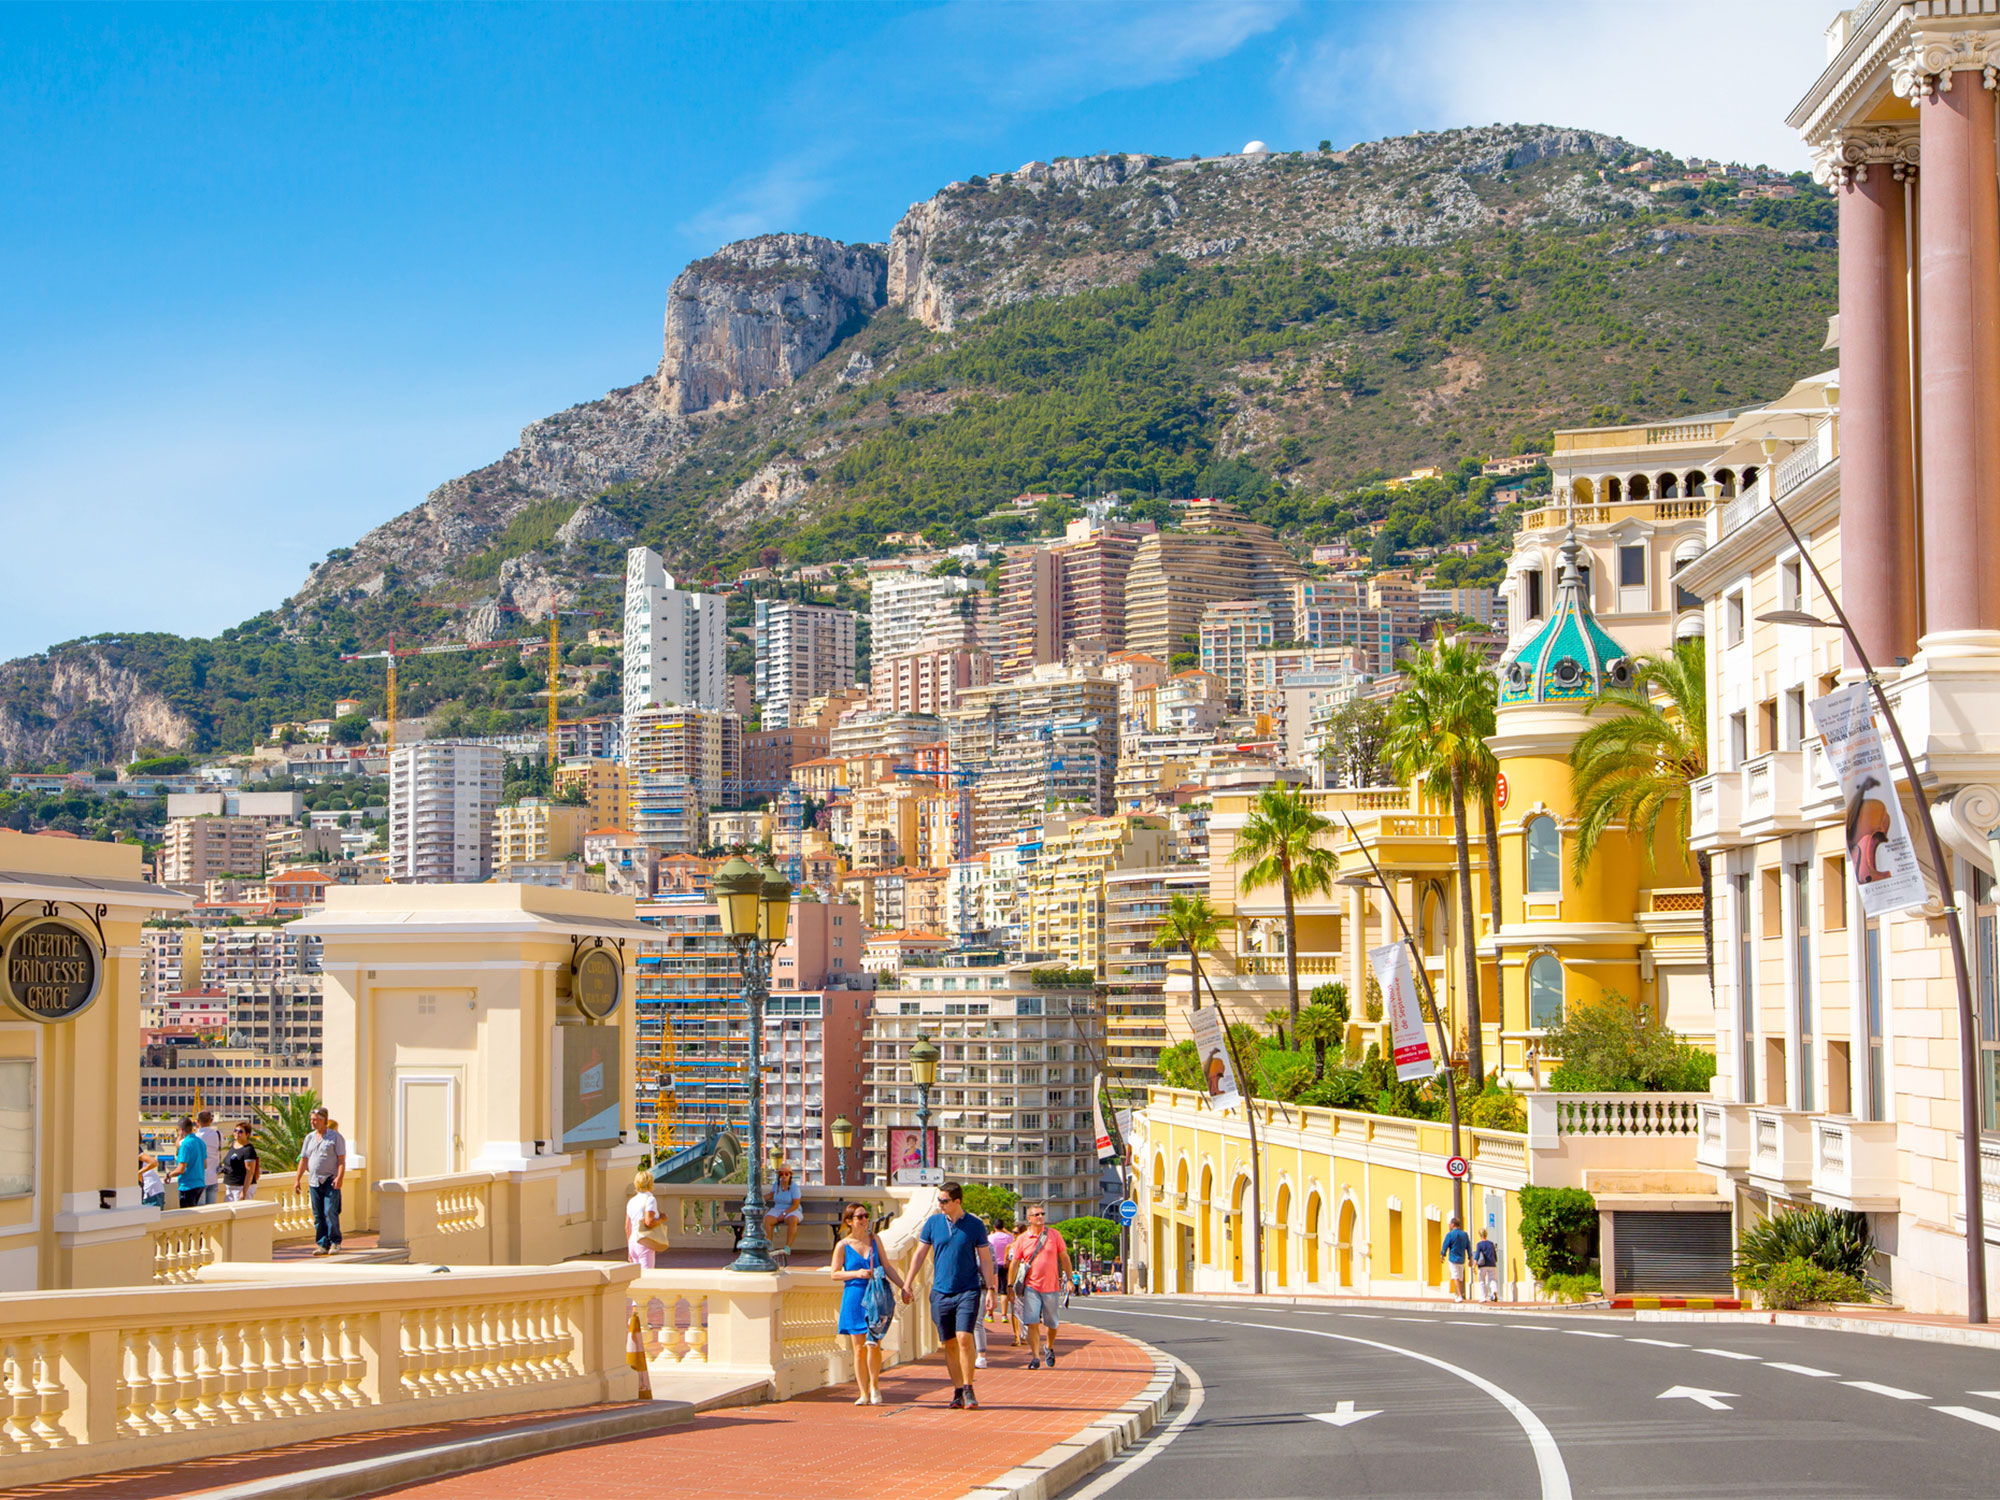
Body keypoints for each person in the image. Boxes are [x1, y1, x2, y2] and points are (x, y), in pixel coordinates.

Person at [903, 1181, 997, 1409]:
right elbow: (919, 1254)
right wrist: (907, 1283)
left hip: (968, 1289)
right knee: (950, 1343)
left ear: (957, 1201)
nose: (940, 1205)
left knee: (965, 1337)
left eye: (944, 1201)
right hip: (941, 1291)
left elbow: (985, 1259)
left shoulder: (974, 1225)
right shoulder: (933, 1223)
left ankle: (969, 1388)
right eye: (939, 1200)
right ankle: (957, 1391)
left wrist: (991, 1289)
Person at [832, 1202, 905, 1405]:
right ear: (849, 1221)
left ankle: (875, 1386)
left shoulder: (875, 1240)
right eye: (860, 1217)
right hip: (854, 1295)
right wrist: (856, 1273)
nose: (865, 1220)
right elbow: (834, 1273)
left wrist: (903, 1286)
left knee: (874, 1344)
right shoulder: (843, 1245)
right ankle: (863, 1392)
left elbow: (887, 1266)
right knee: (858, 1348)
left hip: (875, 1296)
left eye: (866, 1216)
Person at [1009, 1202, 1072, 1370]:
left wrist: (1070, 1279)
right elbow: (1015, 1263)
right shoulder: (1022, 1239)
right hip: (1031, 1286)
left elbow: (1064, 1257)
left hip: (1051, 1286)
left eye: (1042, 1214)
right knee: (1032, 1322)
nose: (1040, 1217)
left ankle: (1049, 1347)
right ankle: (1035, 1357)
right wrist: (1010, 1285)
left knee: (1052, 1323)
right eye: (1036, 1214)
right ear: (1029, 1218)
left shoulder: (1054, 1235)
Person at [293, 1106, 347, 1256]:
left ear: (324, 1120)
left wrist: (339, 1177)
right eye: (312, 1120)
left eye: (316, 1120)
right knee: (318, 1215)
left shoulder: (335, 1137)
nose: (313, 1122)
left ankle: (335, 1242)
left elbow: (341, 1160)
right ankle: (322, 1243)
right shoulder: (309, 1138)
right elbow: (303, 1160)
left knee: (330, 1211)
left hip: (330, 1179)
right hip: (314, 1181)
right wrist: (297, 1179)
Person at [989, 1216, 1021, 1347]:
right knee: (1004, 1291)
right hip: (1007, 1266)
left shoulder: (990, 1238)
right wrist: (1006, 1231)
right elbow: (1013, 1238)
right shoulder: (1009, 1238)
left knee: (993, 1289)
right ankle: (1003, 1314)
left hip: (993, 1265)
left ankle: (990, 1313)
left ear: (994, 1227)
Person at [166, 1117, 207, 1209]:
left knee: (188, 1215)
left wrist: (169, 1174)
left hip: (188, 1186)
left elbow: (181, 1169)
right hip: (200, 1183)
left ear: (181, 1130)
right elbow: (205, 1165)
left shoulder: (185, 1145)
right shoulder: (200, 1142)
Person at [764, 1163, 803, 1258]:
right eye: (782, 1174)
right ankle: (769, 1245)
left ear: (790, 1175)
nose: (784, 1176)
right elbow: (771, 1195)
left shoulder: (794, 1187)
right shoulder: (776, 1185)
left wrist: (785, 1213)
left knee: (793, 1220)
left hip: (792, 1209)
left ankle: (787, 1247)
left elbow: (795, 1204)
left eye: (786, 1174)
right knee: (768, 1219)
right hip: (778, 1208)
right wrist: (760, 1198)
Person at [626, 1168, 662, 1269]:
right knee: (647, 1276)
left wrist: (629, 1247)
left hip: (633, 1242)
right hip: (644, 1241)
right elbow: (649, 1222)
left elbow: (627, 1226)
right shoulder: (650, 1199)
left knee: (635, 1276)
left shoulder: (631, 1201)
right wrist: (662, 1219)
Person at [220, 1122, 260, 1202]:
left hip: (240, 1187)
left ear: (247, 1134)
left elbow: (250, 1171)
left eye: (240, 1132)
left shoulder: (248, 1150)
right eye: (235, 1130)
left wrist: (244, 1192)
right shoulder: (234, 1145)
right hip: (230, 1186)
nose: (237, 1133)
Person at [194, 1110, 224, 1206]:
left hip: (200, 1178)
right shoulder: (218, 1135)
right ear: (211, 1120)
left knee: (201, 1210)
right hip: (213, 1177)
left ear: (197, 1122)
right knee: (212, 1210)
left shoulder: (196, 1137)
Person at [1441, 1215, 1473, 1302]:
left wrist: (1442, 1255)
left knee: (1456, 1277)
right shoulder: (1464, 1234)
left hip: (1453, 1258)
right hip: (1462, 1259)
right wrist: (1470, 1257)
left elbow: (1445, 1245)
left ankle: (1459, 1295)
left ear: (1452, 1224)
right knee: (1460, 1277)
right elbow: (1468, 1247)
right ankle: (1460, 1293)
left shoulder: (1450, 1234)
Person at [1473, 1227, 1501, 1303]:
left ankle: (1483, 1297)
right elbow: (1494, 1254)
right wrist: (1495, 1261)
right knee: (1493, 1280)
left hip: (1483, 1265)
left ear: (1480, 1235)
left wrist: (1474, 1265)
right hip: (1492, 1264)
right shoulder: (1491, 1244)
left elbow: (1477, 1255)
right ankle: (1494, 1293)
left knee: (1482, 1281)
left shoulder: (1479, 1244)